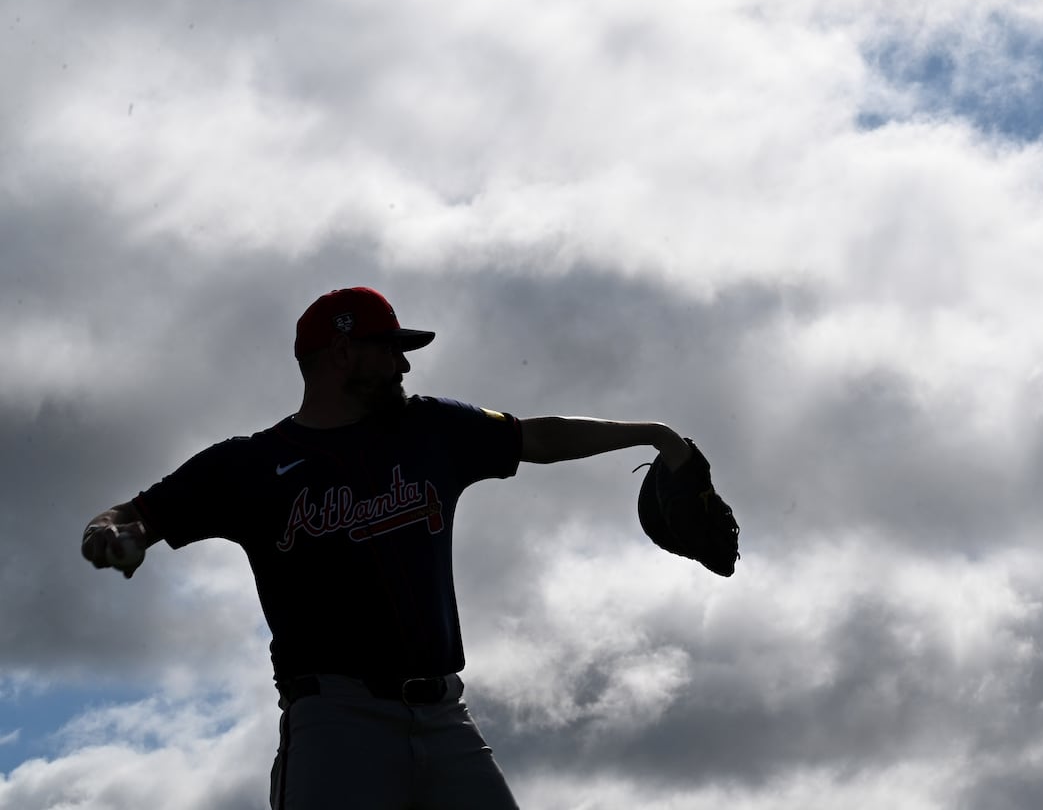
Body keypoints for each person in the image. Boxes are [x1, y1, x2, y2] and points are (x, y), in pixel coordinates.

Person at [80, 286, 695, 810]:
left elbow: (537, 436)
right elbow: (127, 515)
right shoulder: (251, 465)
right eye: (390, 350)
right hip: (335, 724)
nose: (404, 367)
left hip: (445, 717)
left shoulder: (432, 429)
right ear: (342, 353)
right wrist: (114, 536)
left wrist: (654, 434)